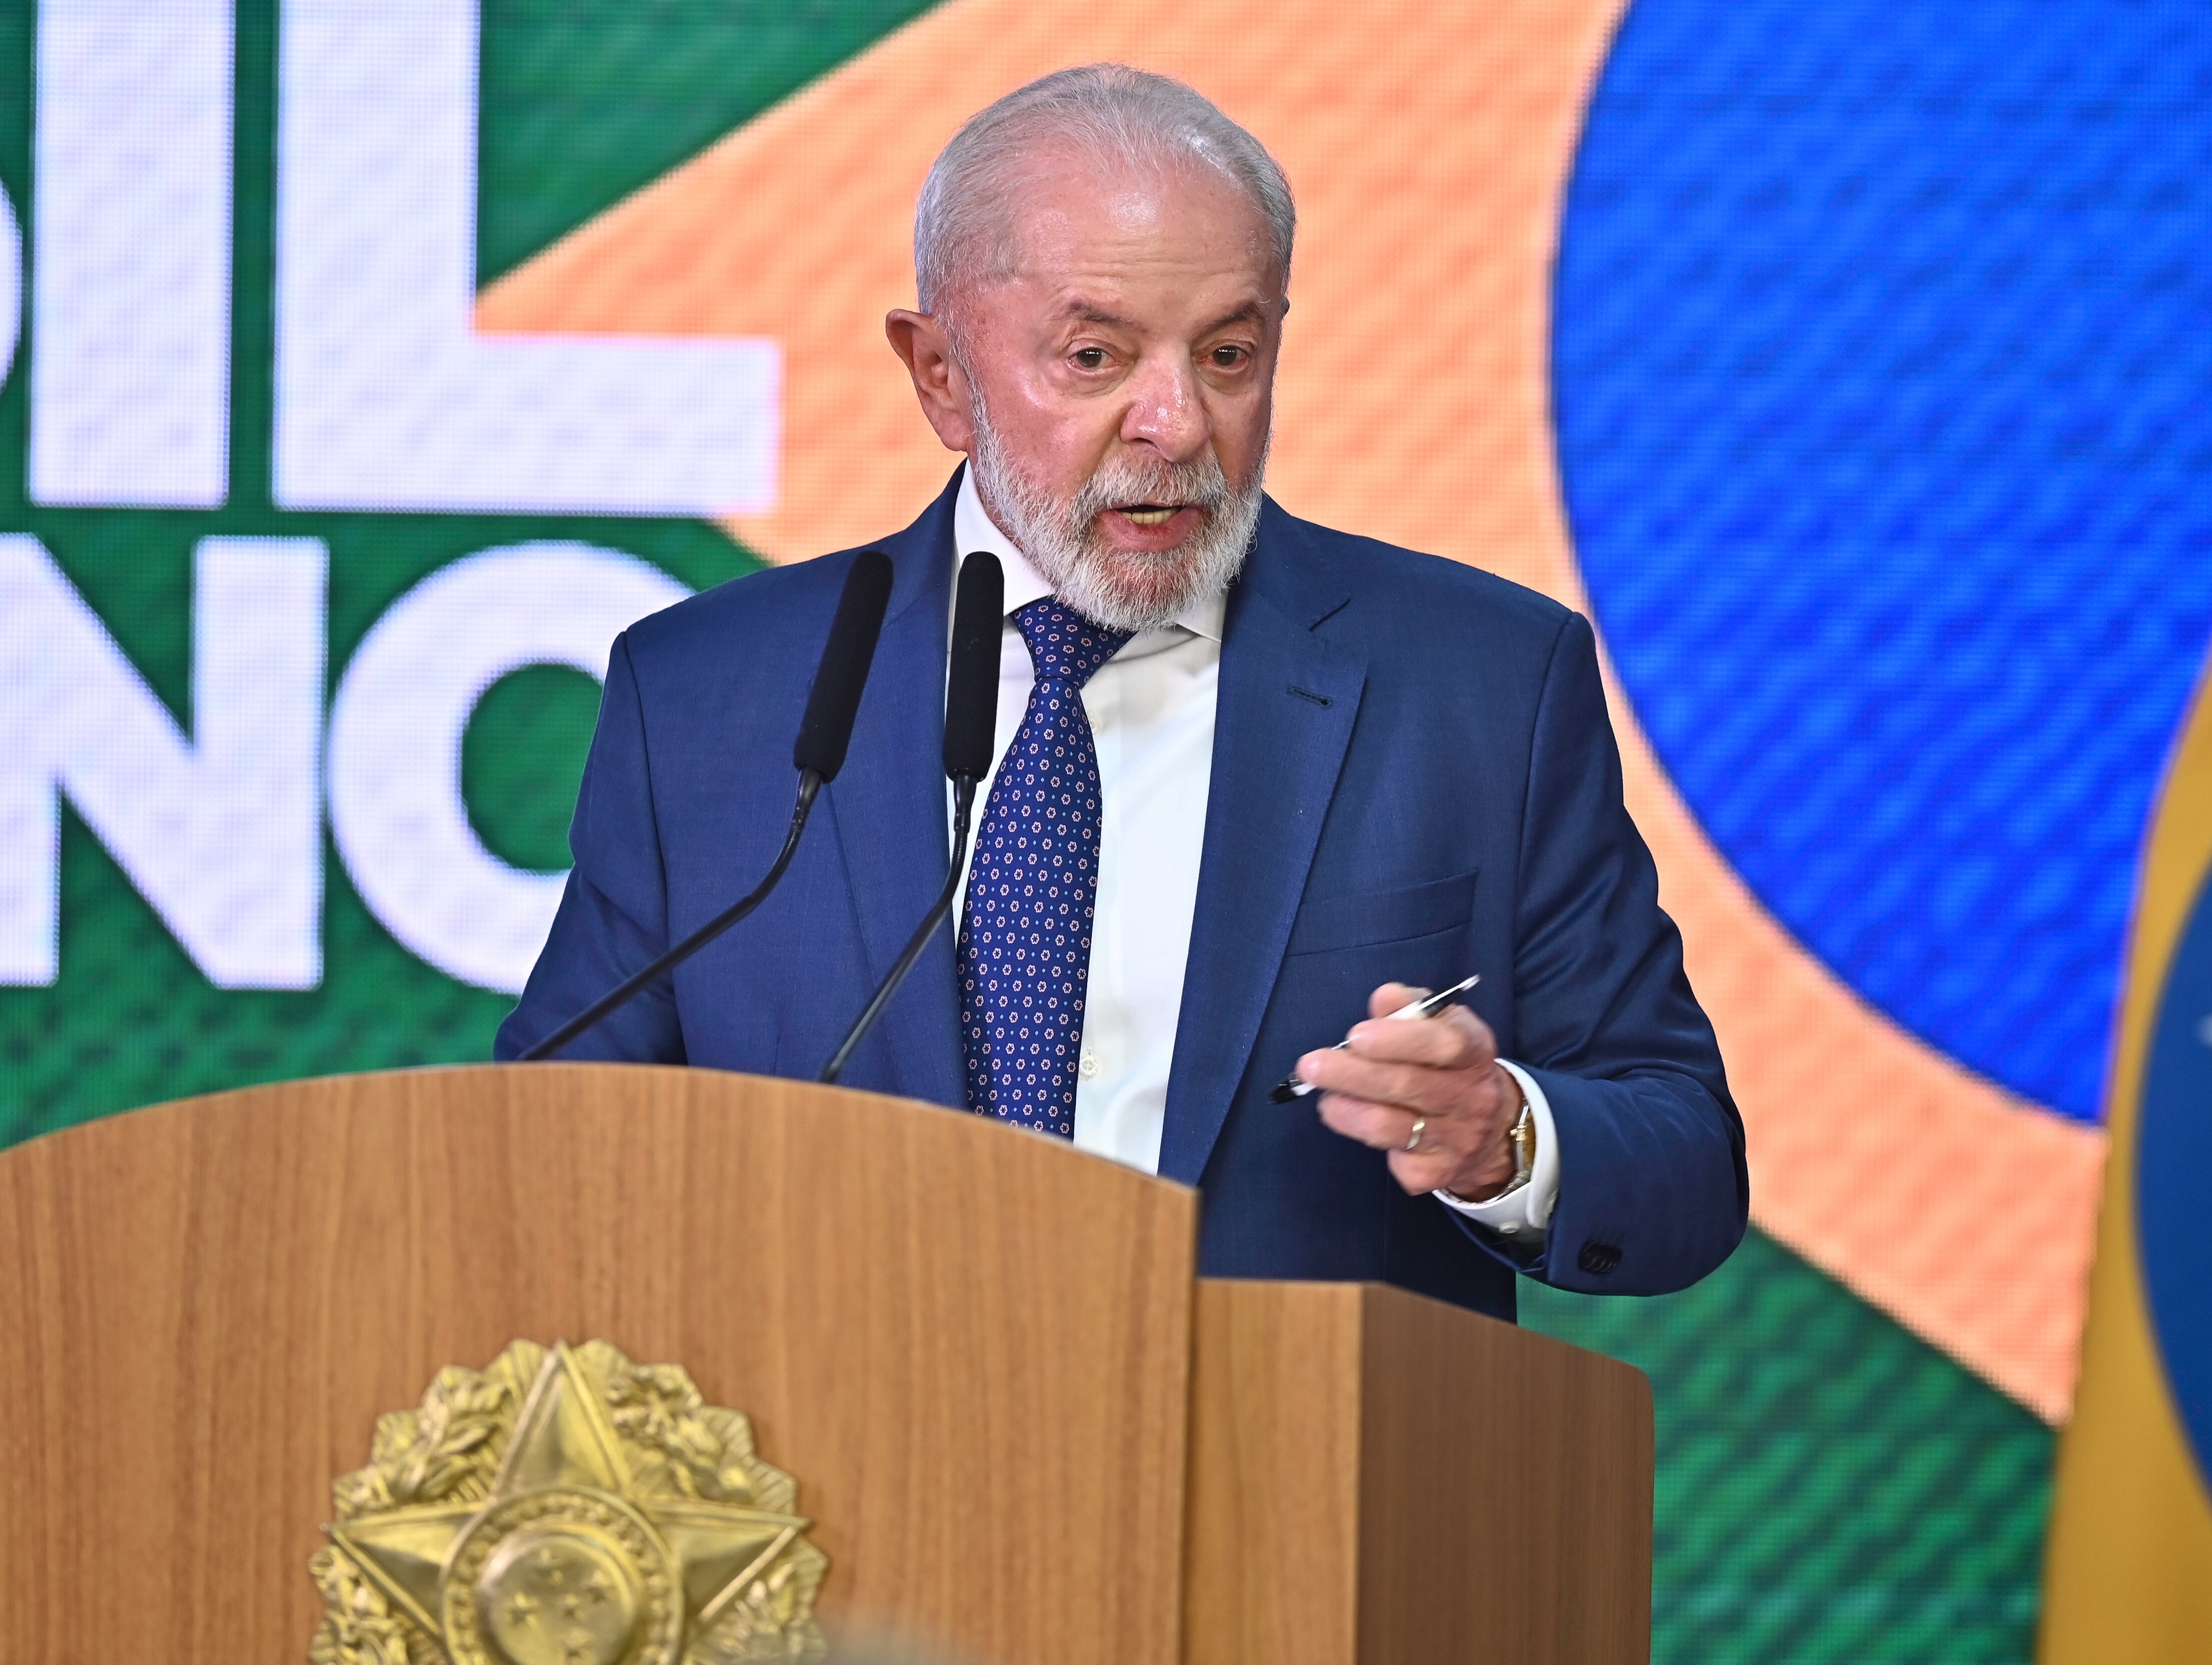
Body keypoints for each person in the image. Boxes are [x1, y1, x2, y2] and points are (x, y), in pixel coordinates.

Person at [500, 65, 1745, 1317]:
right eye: (1094, 356)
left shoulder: (1477, 683)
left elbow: (1683, 1157)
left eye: (1228, 352)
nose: (1178, 421)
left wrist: (1504, 1137)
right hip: (819, 1482)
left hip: (1294, 1481)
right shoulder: (713, 697)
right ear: (940, 374)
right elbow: (549, 1155)